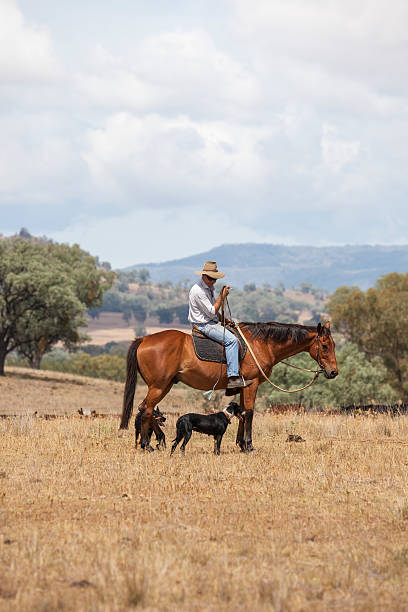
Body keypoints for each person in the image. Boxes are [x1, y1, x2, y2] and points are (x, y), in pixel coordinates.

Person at [188, 261, 253, 390]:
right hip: (203, 325)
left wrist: (224, 319)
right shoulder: (198, 291)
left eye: (214, 279)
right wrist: (221, 297)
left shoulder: (208, 287)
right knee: (232, 341)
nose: (213, 281)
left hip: (210, 321)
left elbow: (213, 311)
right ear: (203, 276)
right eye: (210, 278)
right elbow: (211, 310)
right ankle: (233, 377)